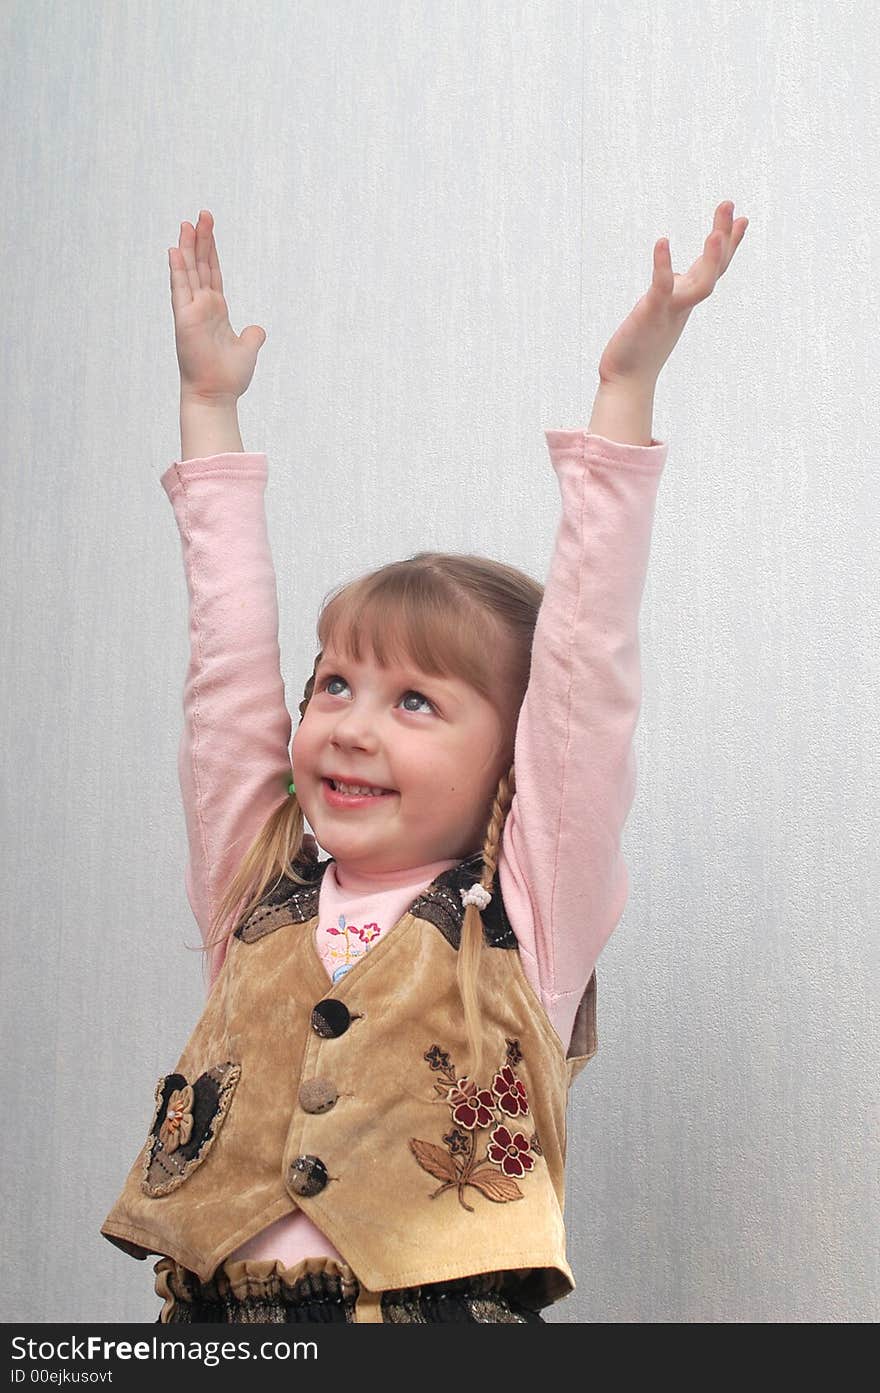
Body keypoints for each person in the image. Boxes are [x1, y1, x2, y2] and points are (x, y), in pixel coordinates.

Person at [100, 204, 748, 1324]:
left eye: (414, 701)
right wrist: (211, 409)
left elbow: (584, 677)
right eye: (336, 685)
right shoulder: (256, 893)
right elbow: (226, 674)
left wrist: (622, 397)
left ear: (510, 762)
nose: (351, 723)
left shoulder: (524, 920)